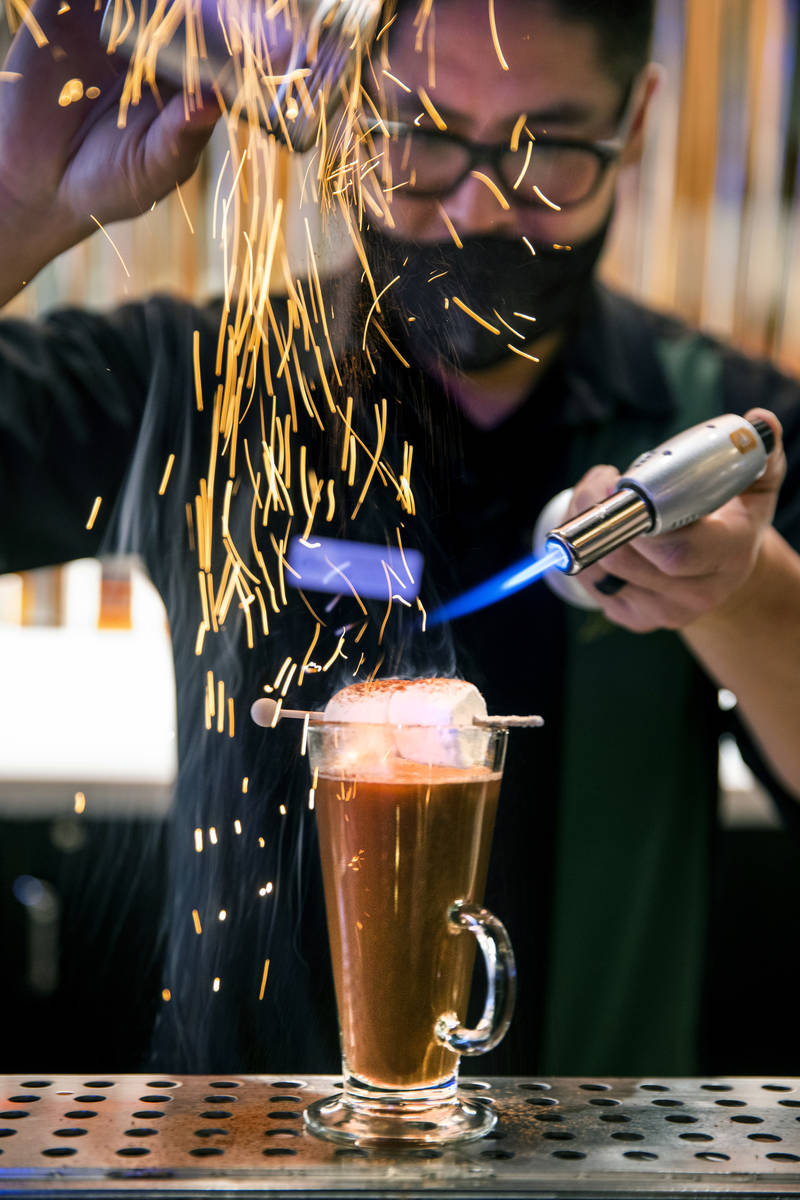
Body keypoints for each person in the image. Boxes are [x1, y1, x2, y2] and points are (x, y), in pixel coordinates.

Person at [1, 0, 800, 1078]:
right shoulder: (207, 386)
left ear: (639, 120)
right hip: (252, 1156)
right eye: (419, 137)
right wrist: (14, 205)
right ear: (349, 119)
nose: (476, 205)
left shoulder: (724, 429)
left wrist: (743, 589)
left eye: (545, 149)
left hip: (600, 1161)